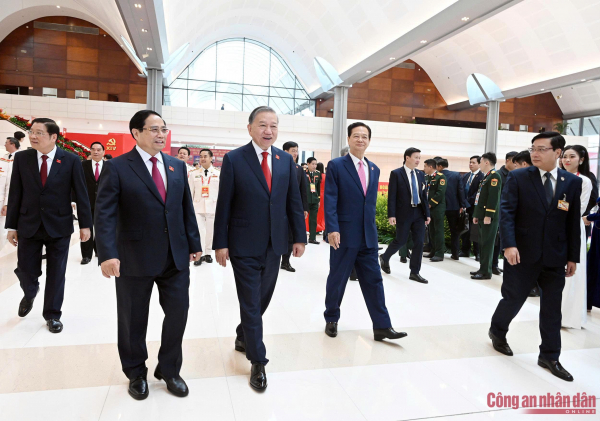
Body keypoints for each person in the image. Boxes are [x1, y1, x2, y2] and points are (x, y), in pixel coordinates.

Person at [95, 110, 202, 400]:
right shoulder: (117, 167)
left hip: (175, 257)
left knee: (178, 312)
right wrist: (107, 253)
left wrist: (194, 243)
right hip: (133, 256)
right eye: (154, 129)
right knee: (133, 318)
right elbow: (104, 214)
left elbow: (185, 208)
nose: (160, 134)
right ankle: (135, 372)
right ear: (136, 133)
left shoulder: (176, 166)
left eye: (163, 129)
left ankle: (169, 369)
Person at [213, 106, 306, 392]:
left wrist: (299, 237)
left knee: (263, 297)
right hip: (243, 243)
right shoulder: (234, 159)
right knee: (251, 302)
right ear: (250, 128)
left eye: (274, 125)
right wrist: (220, 243)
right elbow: (224, 203)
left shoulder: (284, 160)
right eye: (263, 125)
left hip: (275, 243)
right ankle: (257, 360)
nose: (269, 130)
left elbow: (293, 202)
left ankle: (243, 334)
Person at [489, 132, 581, 382]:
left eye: (541, 149)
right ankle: (497, 331)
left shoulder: (572, 182)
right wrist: (509, 245)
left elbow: (572, 222)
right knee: (513, 298)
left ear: (557, 152)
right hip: (521, 253)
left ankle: (550, 356)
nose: (535, 154)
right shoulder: (519, 177)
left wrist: (572, 257)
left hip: (555, 255)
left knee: (552, 309)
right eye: (533, 149)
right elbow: (507, 212)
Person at [5, 118, 92, 333]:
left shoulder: (71, 160)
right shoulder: (22, 158)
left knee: (57, 272)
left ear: (54, 137)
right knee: (26, 270)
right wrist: (11, 226)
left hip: (59, 225)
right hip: (28, 223)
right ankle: (30, 291)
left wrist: (85, 224)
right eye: (31, 132)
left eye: (39, 133)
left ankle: (52, 314)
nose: (33, 136)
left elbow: (81, 193)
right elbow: (15, 192)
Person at [324, 121, 406, 342]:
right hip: (343, 235)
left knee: (374, 281)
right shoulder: (336, 165)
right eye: (356, 136)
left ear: (369, 141)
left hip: (368, 237)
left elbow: (368, 204)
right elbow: (330, 199)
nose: (360, 139)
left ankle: (382, 326)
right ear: (349, 139)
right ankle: (331, 318)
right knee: (338, 279)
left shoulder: (374, 169)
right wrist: (332, 228)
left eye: (365, 136)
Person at [379, 147, 430, 283]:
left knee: (419, 242)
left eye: (419, 158)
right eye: (416, 157)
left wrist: (427, 214)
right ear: (407, 158)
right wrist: (391, 215)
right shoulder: (396, 173)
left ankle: (414, 272)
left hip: (419, 212)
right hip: (404, 213)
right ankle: (385, 257)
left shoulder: (420, 174)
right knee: (401, 240)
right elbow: (392, 196)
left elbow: (423, 196)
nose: (418, 160)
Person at [559, 145, 592, 329]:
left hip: (572, 226)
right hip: (554, 226)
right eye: (565, 156)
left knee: (572, 273)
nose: (567, 160)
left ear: (581, 160)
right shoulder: (557, 176)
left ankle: (569, 317)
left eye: (572, 156)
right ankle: (554, 313)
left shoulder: (584, 181)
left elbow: (579, 208)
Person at [470, 153, 501, 280]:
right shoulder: (486, 177)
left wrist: (488, 215)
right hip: (482, 215)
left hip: (489, 217)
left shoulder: (494, 176)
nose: (479, 164)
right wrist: (477, 214)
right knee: (482, 243)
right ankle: (482, 268)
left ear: (487, 162)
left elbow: (493, 198)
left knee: (487, 244)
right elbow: (481, 198)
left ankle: (486, 272)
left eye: (481, 162)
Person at [281, 141, 309, 272]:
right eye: (293, 151)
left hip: (293, 208)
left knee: (291, 235)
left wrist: (305, 208)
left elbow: (304, 190)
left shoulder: (299, 169)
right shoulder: (277, 166)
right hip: (278, 207)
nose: (296, 153)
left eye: (297, 151)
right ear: (285, 152)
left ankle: (285, 261)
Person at [189, 148, 219, 266]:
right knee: (199, 231)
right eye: (201, 156)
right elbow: (190, 192)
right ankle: (199, 254)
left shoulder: (218, 173)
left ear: (211, 158)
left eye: (205, 156)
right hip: (197, 206)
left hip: (213, 206)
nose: (202, 158)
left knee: (210, 231)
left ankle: (208, 253)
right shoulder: (194, 174)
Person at [79, 141, 105, 265]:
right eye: (93, 149)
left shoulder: (110, 166)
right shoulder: (82, 165)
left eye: (99, 150)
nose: (96, 152)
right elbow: (77, 184)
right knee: (86, 228)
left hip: (103, 204)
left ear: (103, 152)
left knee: (101, 229)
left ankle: (99, 251)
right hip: (86, 203)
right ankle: (86, 255)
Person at [436, 159, 467, 260]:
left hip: (439, 206)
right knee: (455, 231)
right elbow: (460, 190)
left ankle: (436, 251)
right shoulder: (456, 175)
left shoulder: (437, 176)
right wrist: (462, 205)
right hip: (454, 206)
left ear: (440, 166)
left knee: (437, 229)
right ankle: (455, 253)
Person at [460, 155, 484, 259]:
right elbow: (461, 190)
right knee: (465, 229)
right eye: (470, 162)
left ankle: (477, 252)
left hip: (474, 207)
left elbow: (478, 192)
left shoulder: (482, 176)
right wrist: (463, 202)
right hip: (465, 207)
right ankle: (465, 250)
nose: (471, 164)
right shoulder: (466, 176)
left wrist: (467, 202)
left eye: (473, 162)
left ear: (479, 164)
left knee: (475, 230)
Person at [423, 159, 446, 262]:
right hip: (429, 208)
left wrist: (430, 203)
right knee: (431, 230)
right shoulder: (427, 177)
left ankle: (439, 253)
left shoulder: (441, 177)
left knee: (438, 231)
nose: (424, 168)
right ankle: (433, 251)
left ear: (430, 167)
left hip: (437, 208)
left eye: (425, 166)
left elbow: (440, 193)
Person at [585, 198, 600, 311]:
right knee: (592, 267)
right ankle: (588, 302)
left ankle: (589, 301)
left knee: (593, 267)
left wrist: (589, 217)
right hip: (597, 233)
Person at [306, 157, 321, 244]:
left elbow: (318, 188)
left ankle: (312, 238)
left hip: (314, 200)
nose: (314, 166)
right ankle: (301, 238)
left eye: (315, 164)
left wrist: (318, 199)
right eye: (313, 164)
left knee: (313, 220)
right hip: (306, 199)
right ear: (308, 164)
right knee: (302, 219)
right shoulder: (303, 173)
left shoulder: (317, 174)